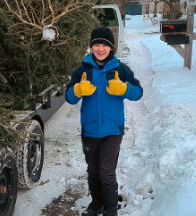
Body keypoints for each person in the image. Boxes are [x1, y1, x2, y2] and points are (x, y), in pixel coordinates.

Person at [65, 27, 143, 216]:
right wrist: (76, 91)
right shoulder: (83, 70)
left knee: (106, 172)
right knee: (93, 171)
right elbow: (68, 97)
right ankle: (97, 203)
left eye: (105, 45)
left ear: (111, 48)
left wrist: (124, 89)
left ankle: (110, 210)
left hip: (112, 131)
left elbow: (138, 92)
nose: (100, 49)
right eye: (96, 45)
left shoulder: (120, 69)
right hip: (90, 130)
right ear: (91, 47)